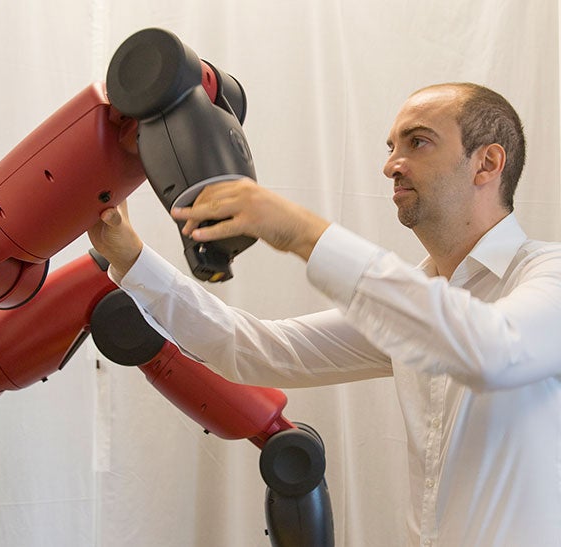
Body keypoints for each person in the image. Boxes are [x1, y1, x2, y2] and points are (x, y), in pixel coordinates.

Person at [87, 82, 561, 546]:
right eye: (392, 146)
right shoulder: (415, 310)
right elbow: (257, 351)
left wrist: (302, 231)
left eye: (418, 142)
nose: (391, 165)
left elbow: (493, 350)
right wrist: (130, 257)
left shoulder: (548, 275)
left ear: (488, 163)